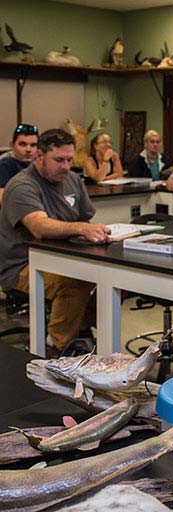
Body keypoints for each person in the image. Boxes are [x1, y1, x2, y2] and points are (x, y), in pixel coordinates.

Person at [0, 129, 111, 354]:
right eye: (59, 160)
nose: (66, 166)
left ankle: (79, 328)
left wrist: (88, 229)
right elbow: (39, 227)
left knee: (113, 278)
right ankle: (54, 347)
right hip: (22, 264)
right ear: (39, 156)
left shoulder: (72, 180)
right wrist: (81, 228)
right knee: (73, 283)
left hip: (65, 256)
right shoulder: (22, 185)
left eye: (69, 160)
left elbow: (84, 216)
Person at [0, 124, 39, 205]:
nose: (28, 149)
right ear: (12, 145)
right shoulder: (5, 165)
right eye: (23, 144)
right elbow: (2, 199)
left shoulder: (39, 164)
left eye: (33, 145)